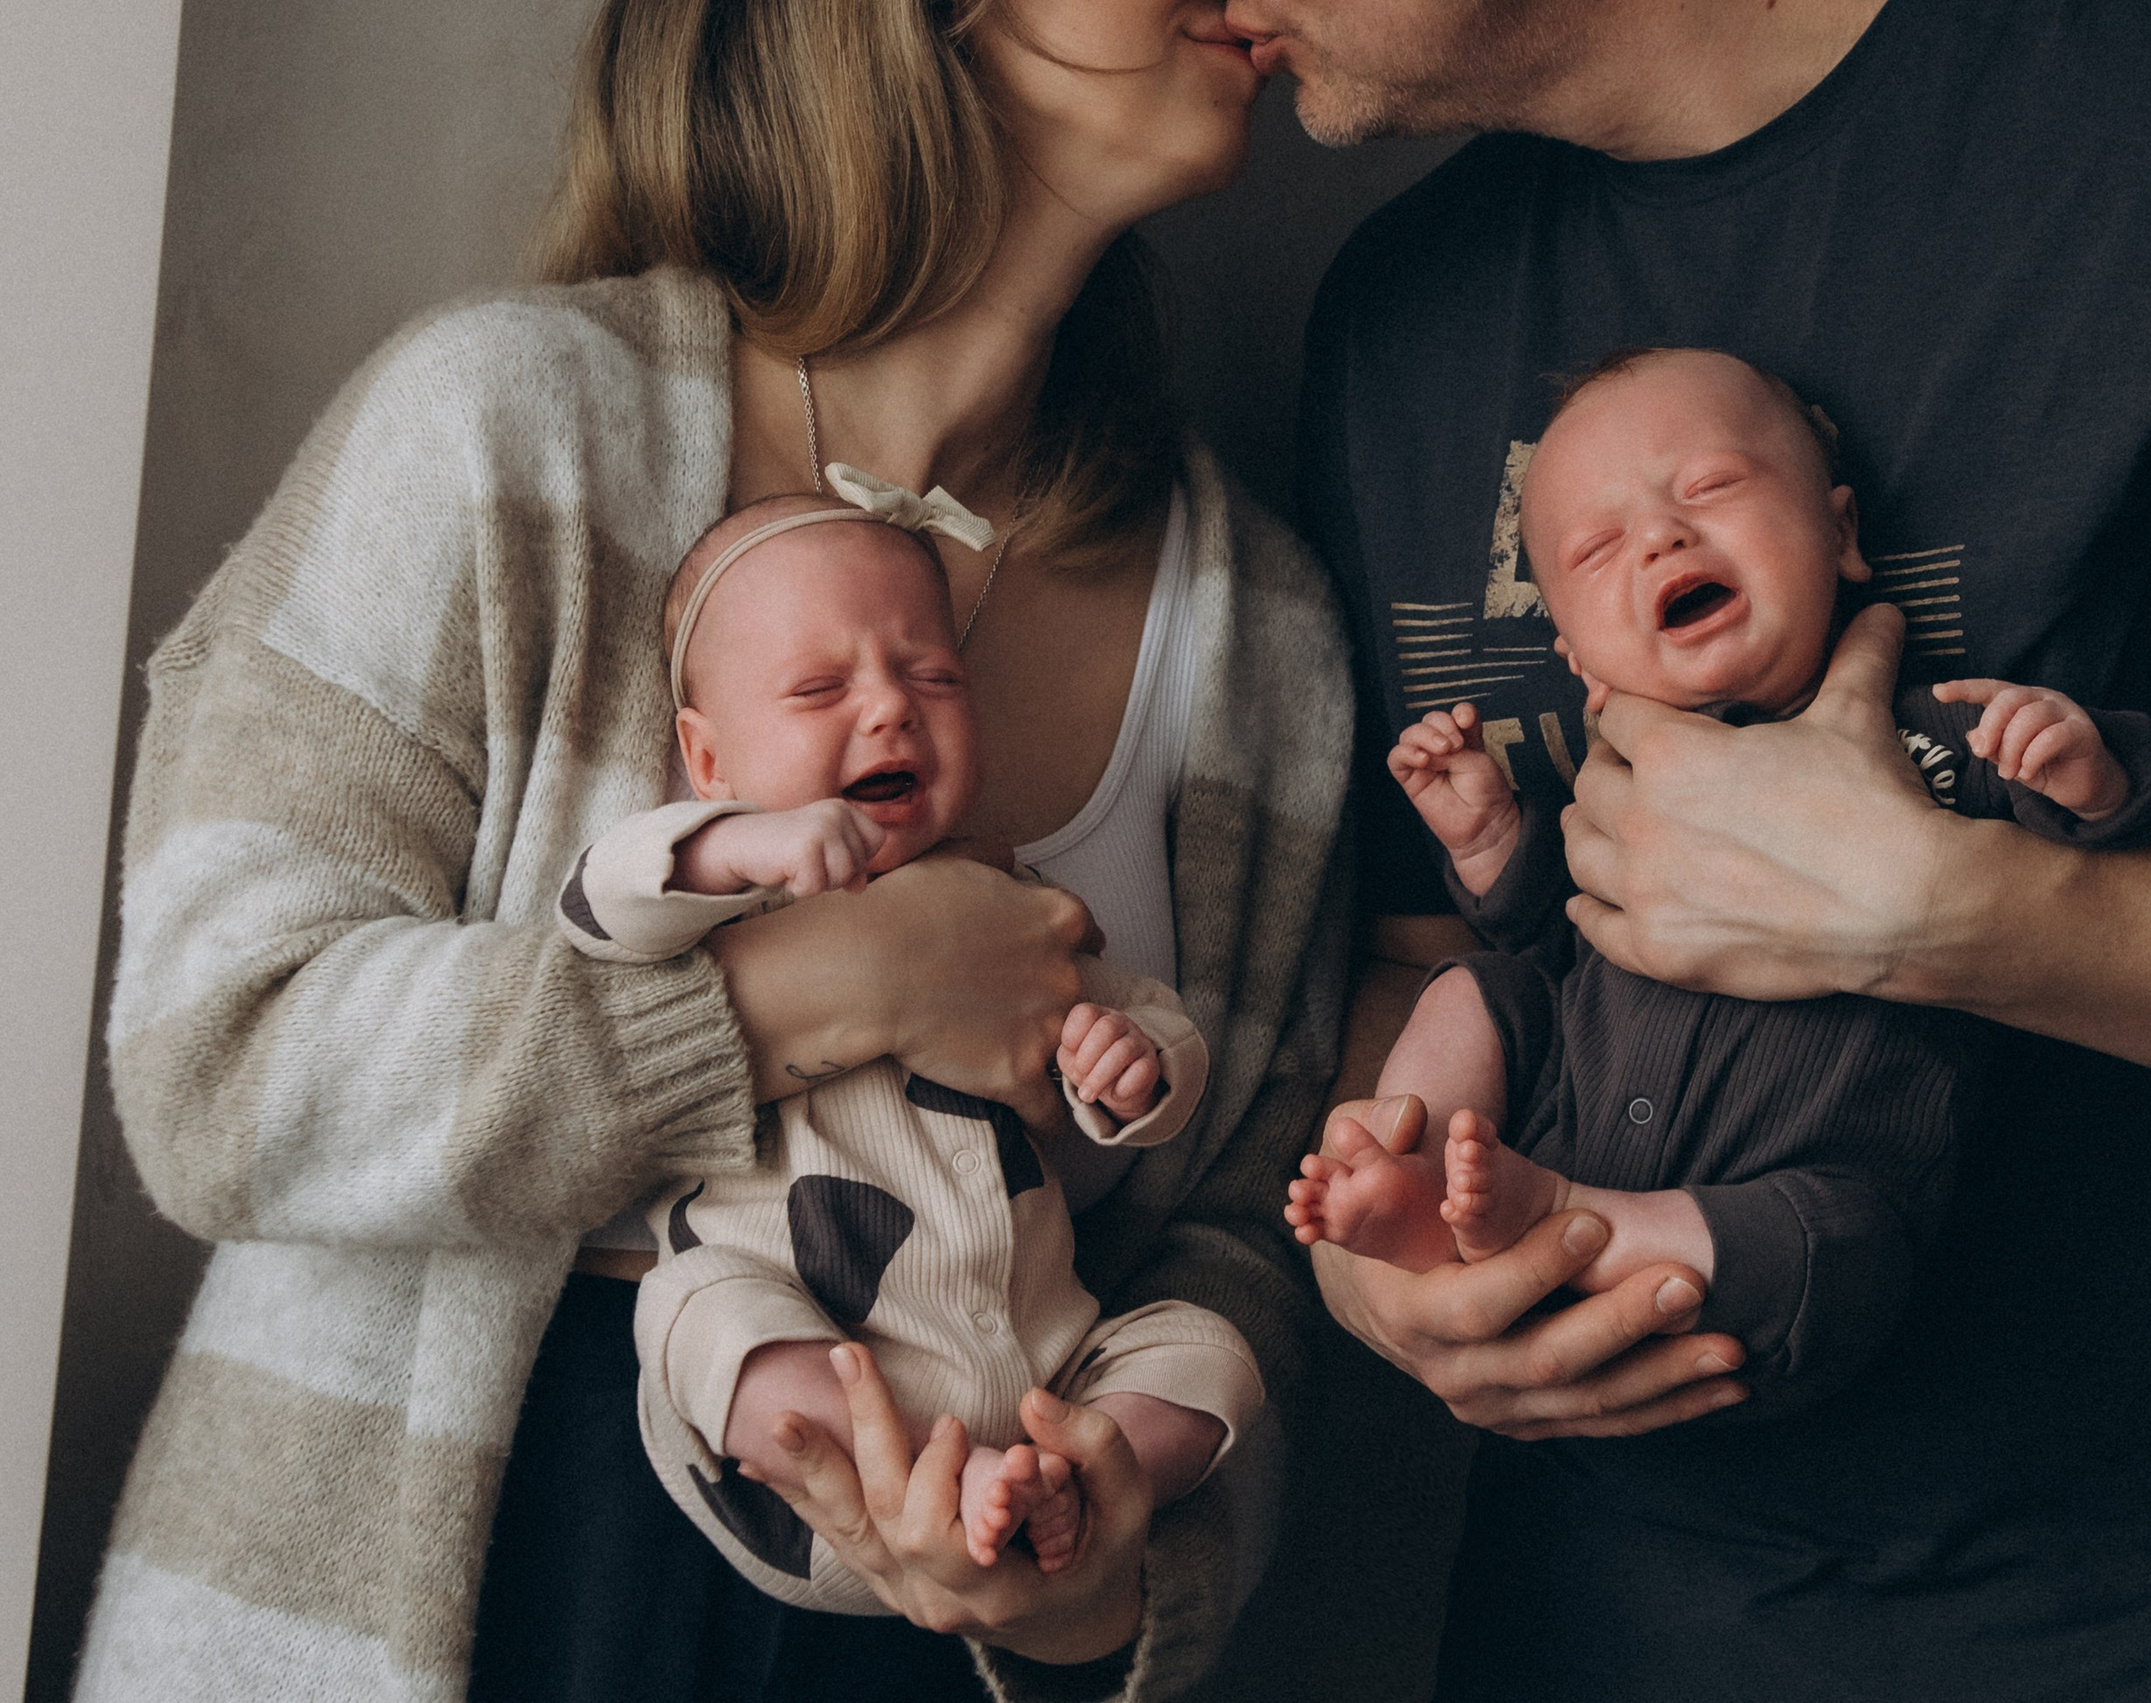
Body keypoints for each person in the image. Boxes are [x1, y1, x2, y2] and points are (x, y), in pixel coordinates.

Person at [1237, 0, 2151, 1696]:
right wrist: (1377, 1280)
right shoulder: (1399, 315)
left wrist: (1954, 911)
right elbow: (1432, 957)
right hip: (1604, 1632)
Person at [84, 1, 1350, 1700]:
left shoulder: (1264, 638)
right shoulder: (505, 430)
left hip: (938, 1618)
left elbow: (1259, 1241)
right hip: (461, 1589)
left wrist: (1094, 1593)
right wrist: (806, 991)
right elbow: (215, 1060)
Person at [1287, 350, 2151, 1420]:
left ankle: (1569, 1217)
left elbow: (2134, 826)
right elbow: (1538, 939)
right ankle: (1414, 1153)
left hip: (1773, 1216)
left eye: (1711, 488)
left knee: (1838, 1245)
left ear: (1842, 532)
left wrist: (2083, 767)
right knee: (1466, 990)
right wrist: (1491, 837)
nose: (1663, 535)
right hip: (1562, 1118)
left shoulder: (1928, 740)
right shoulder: (1597, 791)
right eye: (1597, 547)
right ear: (1576, 655)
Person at [562, 489, 1263, 1602]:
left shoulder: (1013, 904)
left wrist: (1131, 1062)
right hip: (828, 1456)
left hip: (1041, 1378)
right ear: (707, 755)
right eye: (819, 688)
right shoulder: (726, 904)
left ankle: (1077, 1476)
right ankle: (954, 1478)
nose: (891, 707)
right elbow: (597, 904)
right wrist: (743, 843)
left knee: (1210, 1354)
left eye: (933, 675)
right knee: (687, 1309)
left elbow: (1150, 1017)